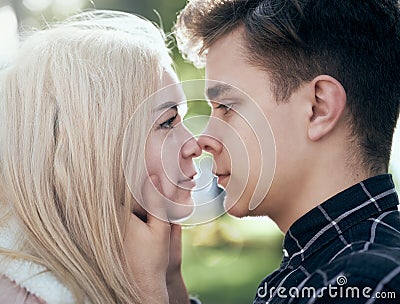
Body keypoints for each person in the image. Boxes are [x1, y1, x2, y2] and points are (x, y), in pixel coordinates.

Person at [175, 0, 400, 303]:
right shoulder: (324, 268)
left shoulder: (363, 286)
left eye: (226, 107)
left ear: (318, 108)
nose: (204, 141)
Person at [0, 10, 202, 303]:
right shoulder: (20, 293)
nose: (194, 145)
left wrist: (170, 281)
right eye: (167, 121)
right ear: (96, 145)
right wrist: (149, 291)